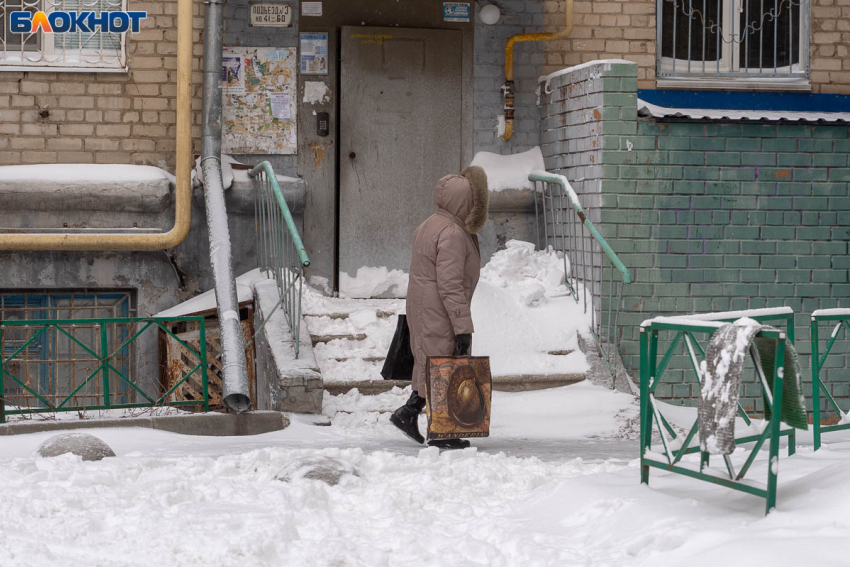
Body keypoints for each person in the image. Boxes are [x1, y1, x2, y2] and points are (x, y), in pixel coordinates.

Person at [390, 166, 489, 449]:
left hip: (425, 307)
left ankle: (409, 413)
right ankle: (443, 432)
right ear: (466, 202)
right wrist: (463, 327)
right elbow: (450, 284)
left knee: (433, 363)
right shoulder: (452, 233)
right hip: (440, 310)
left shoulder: (431, 223)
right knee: (446, 363)